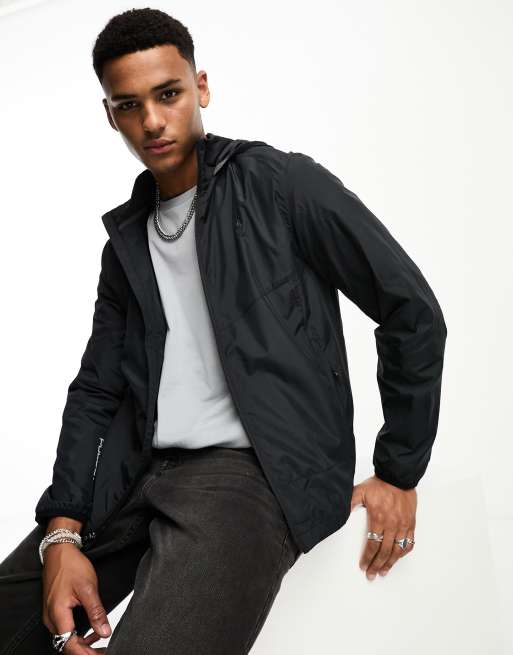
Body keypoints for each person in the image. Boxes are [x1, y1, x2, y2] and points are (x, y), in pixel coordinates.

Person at [0, 7, 447, 655]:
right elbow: (96, 389)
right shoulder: (128, 240)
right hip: (137, 471)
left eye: (168, 94)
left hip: (247, 476)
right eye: (129, 105)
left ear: (200, 87)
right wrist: (63, 531)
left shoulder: (281, 185)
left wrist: (398, 469)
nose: (152, 120)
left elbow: (411, 310)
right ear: (110, 115)